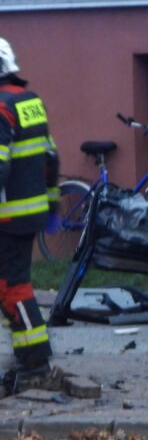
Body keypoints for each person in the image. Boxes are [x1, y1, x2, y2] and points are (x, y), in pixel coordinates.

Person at [0, 38, 62, 396]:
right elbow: (51, 157)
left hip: (8, 218)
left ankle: (36, 362)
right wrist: (52, 204)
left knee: (13, 288)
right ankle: (28, 357)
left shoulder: (1, 108)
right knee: (8, 285)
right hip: (31, 213)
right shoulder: (29, 102)